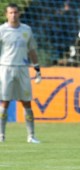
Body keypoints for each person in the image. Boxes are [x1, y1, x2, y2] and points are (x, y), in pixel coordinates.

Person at [0, 3, 41, 143]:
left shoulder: (26, 30)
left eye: (15, 12)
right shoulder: (2, 30)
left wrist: (37, 68)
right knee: (4, 102)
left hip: (23, 68)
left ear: (19, 14)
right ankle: (1, 136)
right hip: (6, 68)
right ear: (6, 14)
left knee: (26, 102)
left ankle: (31, 136)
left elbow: (32, 50)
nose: (13, 15)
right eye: (10, 12)